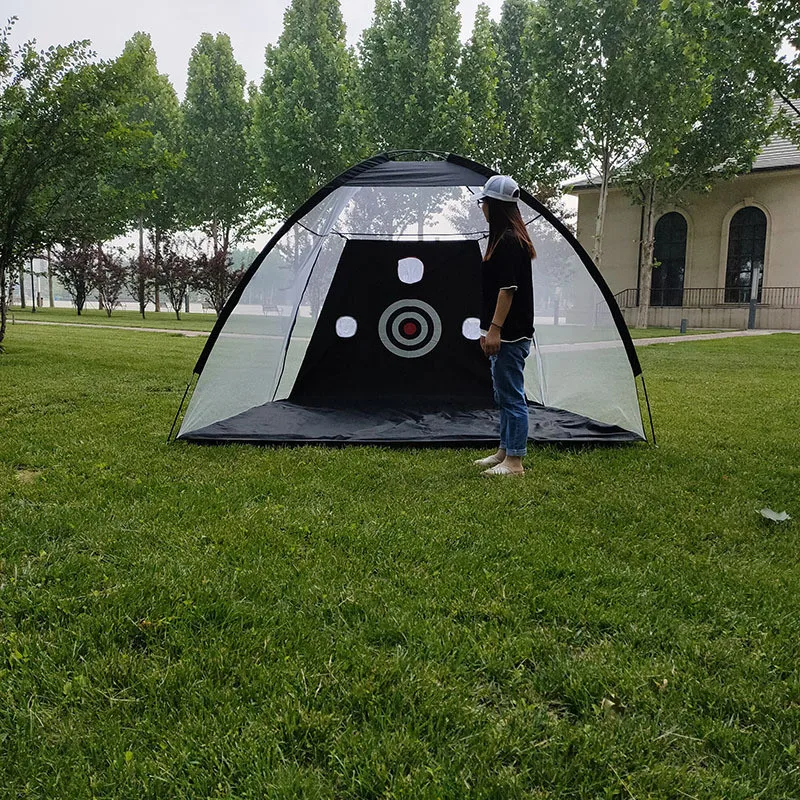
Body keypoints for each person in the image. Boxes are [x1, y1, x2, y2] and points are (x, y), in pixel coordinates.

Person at [473, 175, 536, 477]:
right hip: (502, 333)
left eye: (483, 202)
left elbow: (507, 290)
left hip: (510, 335)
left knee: (512, 397)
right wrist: (487, 330)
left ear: (494, 205)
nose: (482, 207)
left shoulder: (509, 241)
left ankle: (515, 462)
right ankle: (505, 450)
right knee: (503, 394)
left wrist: (495, 330)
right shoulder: (503, 239)